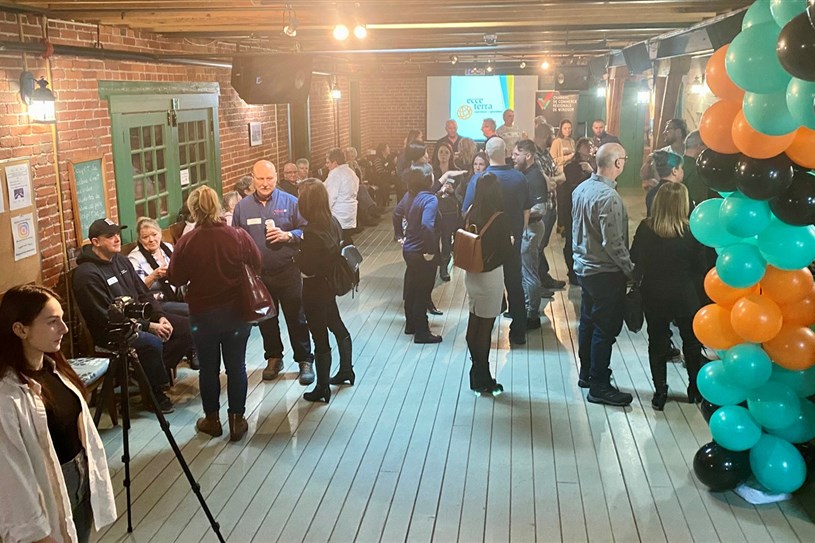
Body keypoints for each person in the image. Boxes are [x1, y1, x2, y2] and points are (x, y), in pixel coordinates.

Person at [0, 285, 117, 543]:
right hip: (46, 489)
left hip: (79, 480)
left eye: (62, 319)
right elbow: (10, 475)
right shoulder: (7, 396)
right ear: (20, 329)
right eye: (53, 322)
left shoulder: (53, 367)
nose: (64, 329)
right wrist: (37, 534)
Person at [73, 218, 196, 413]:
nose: (117, 239)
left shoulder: (120, 260)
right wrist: (149, 327)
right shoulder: (87, 274)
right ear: (96, 242)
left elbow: (143, 293)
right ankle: (154, 393)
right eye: (110, 236)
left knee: (189, 328)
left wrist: (160, 316)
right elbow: (104, 317)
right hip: (113, 331)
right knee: (151, 342)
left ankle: (147, 376)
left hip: (140, 316)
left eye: (117, 234)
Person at [167, 186, 259, 440]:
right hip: (237, 312)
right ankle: (237, 421)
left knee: (208, 369)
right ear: (217, 206)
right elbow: (257, 263)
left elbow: (175, 278)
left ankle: (212, 420)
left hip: (203, 315)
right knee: (236, 367)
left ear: (193, 210)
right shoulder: (238, 235)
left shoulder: (187, 241)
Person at [232, 160, 315, 385]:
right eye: (260, 179)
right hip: (259, 276)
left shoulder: (291, 202)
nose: (265, 183)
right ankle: (274, 357)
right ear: (252, 179)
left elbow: (307, 230)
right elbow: (236, 238)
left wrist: (288, 235)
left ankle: (305, 360)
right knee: (266, 319)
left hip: (288, 270)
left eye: (269, 178)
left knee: (296, 317)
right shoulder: (242, 207)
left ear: (276, 177)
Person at [630, 182, 707, 409]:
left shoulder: (646, 228)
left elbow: (635, 258)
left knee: (657, 342)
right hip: (685, 294)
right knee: (691, 342)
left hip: (654, 293)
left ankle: (660, 391)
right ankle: (694, 389)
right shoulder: (692, 231)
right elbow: (701, 265)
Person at [572, 143, 635, 406]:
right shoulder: (610, 198)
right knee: (604, 329)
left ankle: (586, 373)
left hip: (584, 269)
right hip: (605, 273)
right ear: (618, 163)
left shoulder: (580, 189)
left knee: (587, 322)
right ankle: (599, 384)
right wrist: (631, 271)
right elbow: (614, 243)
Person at [463, 137, 531, 345]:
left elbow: (466, 211)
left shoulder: (479, 179)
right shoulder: (519, 178)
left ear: (486, 153)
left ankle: (483, 331)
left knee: (485, 289)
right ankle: (518, 331)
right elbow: (526, 209)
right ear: (507, 151)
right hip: (511, 240)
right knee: (514, 284)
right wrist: (520, 230)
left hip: (486, 246)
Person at [294, 179, 355, 403]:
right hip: (329, 286)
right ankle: (347, 369)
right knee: (337, 325)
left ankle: (322, 387)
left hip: (314, 290)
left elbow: (307, 268)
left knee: (319, 337)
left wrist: (296, 254)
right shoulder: (333, 221)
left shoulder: (311, 233)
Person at [462, 173, 514, 396]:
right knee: (485, 329)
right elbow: (506, 253)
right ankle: (483, 376)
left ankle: (476, 372)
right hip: (490, 277)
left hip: (471, 274)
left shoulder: (471, 211)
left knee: (474, 323)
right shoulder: (500, 218)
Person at [402, 163, 444, 343]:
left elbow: (398, 214)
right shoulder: (430, 200)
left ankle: (410, 325)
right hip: (422, 251)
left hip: (409, 250)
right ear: (428, 179)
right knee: (423, 291)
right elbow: (427, 225)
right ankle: (422, 332)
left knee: (412, 288)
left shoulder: (413, 196)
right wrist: (431, 250)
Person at [512, 139, 550, 330]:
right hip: (526, 228)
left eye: (516, 154)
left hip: (531, 229)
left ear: (528, 156)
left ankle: (532, 314)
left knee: (529, 272)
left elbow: (541, 208)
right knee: (524, 270)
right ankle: (525, 308)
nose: (512, 157)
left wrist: (519, 212)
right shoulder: (526, 174)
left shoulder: (535, 177)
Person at [127, 216, 188, 317]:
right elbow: (138, 290)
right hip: (158, 302)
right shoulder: (134, 258)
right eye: (145, 237)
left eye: (154, 234)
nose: (151, 240)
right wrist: (154, 276)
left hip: (179, 294)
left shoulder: (167, 247)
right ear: (140, 240)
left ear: (160, 233)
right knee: (192, 310)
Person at [562, 137, 595, 284]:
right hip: (572, 208)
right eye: (586, 146)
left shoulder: (594, 164)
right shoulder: (571, 166)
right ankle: (572, 272)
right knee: (571, 240)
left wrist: (591, 171)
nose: (589, 149)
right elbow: (570, 188)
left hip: (589, 208)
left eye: (590, 147)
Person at [431, 140, 465, 282]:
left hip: (450, 211)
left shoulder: (456, 172)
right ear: (437, 154)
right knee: (433, 239)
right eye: (441, 152)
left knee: (446, 239)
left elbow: (461, 193)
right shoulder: (432, 171)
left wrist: (453, 191)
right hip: (434, 209)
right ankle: (436, 262)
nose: (443, 155)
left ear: (451, 155)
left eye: (446, 152)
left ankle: (444, 266)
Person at [641, 118, 689, 190]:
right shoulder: (661, 154)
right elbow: (644, 176)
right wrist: (648, 162)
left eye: (668, 129)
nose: (664, 132)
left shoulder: (689, 154)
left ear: (678, 132)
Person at [325, 147, 360, 244]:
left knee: (340, 240)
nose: (326, 165)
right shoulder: (351, 172)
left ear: (335, 163)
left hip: (338, 214)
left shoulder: (335, 174)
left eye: (328, 162)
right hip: (350, 212)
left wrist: (324, 214)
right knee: (346, 238)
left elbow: (330, 197)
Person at [645, 150, 689, 216]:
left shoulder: (651, 193)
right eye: (681, 167)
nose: (683, 171)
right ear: (674, 171)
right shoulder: (680, 195)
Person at [682, 130, 710, 205]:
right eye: (707, 145)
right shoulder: (697, 169)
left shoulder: (677, 164)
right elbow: (700, 200)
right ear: (699, 146)